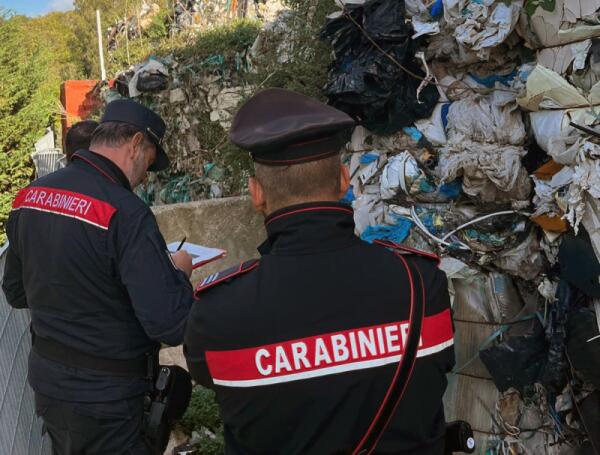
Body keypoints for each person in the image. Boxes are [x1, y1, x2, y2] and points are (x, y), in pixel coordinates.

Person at [184, 88, 456, 454]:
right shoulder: (422, 285)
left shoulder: (218, 314)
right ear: (344, 180)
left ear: (257, 194)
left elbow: (211, 378)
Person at [2, 99, 194, 454]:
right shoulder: (127, 213)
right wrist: (179, 273)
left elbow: (15, 291)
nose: (144, 178)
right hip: (110, 400)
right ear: (135, 144)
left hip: (50, 385)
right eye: (148, 163)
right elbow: (169, 323)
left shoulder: (30, 197)